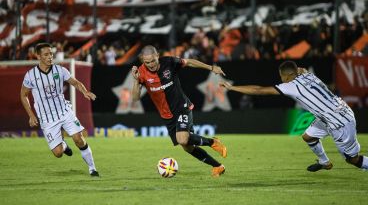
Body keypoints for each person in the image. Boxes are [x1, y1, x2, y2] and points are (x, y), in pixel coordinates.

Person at [220, 60, 368, 172]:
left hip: (339, 122)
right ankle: (325, 162)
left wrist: (232, 87)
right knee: (308, 136)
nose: (282, 80)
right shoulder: (308, 75)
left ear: (289, 75)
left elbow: (258, 90)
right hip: (335, 113)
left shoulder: (292, 86)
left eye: (282, 76)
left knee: (352, 159)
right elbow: (301, 69)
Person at [131, 45, 227, 177]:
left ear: (157, 55)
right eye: (147, 62)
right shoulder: (141, 72)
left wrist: (211, 67)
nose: (151, 64)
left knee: (182, 139)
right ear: (143, 60)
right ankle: (218, 166)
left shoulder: (169, 62)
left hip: (181, 107)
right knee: (187, 146)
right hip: (166, 115)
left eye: (153, 60)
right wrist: (136, 82)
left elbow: (190, 62)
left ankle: (212, 142)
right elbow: (135, 98)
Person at [20, 42, 99, 177]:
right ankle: (63, 145)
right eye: (46, 54)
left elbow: (75, 82)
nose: (50, 57)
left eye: (51, 53)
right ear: (38, 56)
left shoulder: (60, 70)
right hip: (46, 118)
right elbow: (23, 94)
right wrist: (31, 115)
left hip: (64, 111)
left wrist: (85, 91)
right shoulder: (30, 75)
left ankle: (93, 169)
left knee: (79, 139)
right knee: (58, 153)